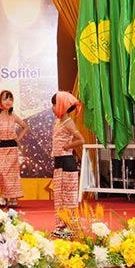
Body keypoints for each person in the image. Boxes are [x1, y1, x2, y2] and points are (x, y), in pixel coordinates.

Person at [0, 90, 29, 207]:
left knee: (13, 174)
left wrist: (18, 138)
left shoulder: (14, 116)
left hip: (12, 147)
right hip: (1, 147)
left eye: (10, 99)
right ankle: (4, 195)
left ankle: (14, 197)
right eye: (5, 99)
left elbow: (25, 127)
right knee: (3, 174)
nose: (8, 101)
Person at [51, 91, 85, 235]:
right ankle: (61, 225)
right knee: (59, 196)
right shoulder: (58, 121)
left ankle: (70, 226)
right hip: (59, 162)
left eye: (54, 104)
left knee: (68, 197)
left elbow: (81, 140)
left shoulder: (68, 122)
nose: (52, 107)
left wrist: (68, 146)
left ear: (62, 105)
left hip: (67, 161)